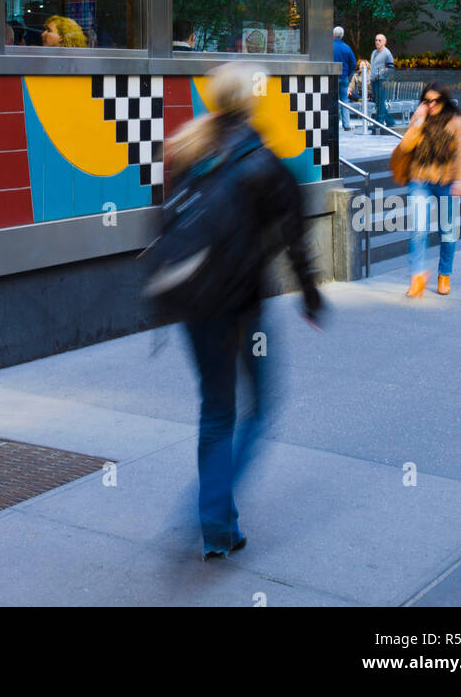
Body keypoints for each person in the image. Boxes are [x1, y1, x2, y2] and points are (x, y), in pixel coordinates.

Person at [167, 63, 324, 561]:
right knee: (258, 409)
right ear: (252, 100)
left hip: (194, 306)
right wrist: (311, 297)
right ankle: (211, 507)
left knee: (216, 411)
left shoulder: (189, 149)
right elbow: (295, 241)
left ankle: (220, 526)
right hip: (242, 307)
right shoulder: (268, 163)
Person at [395, 82, 461, 298]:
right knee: (418, 230)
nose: (431, 105)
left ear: (444, 100)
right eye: (426, 101)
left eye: (436, 100)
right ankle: (417, 277)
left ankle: (444, 275)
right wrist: (418, 121)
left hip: (446, 182)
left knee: (447, 232)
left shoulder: (456, 122)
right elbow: (406, 146)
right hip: (419, 180)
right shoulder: (420, 118)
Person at [333, 26, 358, 131]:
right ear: (342, 36)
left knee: (332, 100)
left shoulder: (329, 47)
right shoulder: (346, 47)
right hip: (344, 77)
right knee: (344, 100)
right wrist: (348, 73)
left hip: (331, 77)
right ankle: (346, 125)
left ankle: (332, 124)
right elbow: (353, 63)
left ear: (333, 35)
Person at [370, 33, 395, 130]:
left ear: (384, 42)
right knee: (378, 101)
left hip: (382, 81)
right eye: (376, 40)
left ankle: (379, 122)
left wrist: (380, 75)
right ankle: (390, 121)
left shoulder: (387, 53)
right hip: (373, 80)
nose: (377, 42)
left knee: (380, 101)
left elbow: (390, 68)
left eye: (380, 40)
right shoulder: (373, 52)